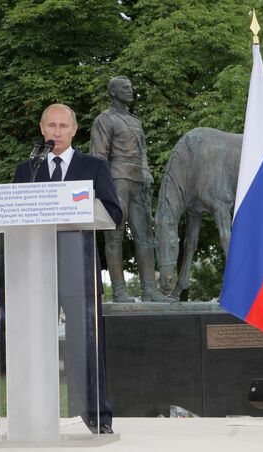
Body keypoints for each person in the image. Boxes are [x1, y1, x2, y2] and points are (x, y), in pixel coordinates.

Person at [14, 103, 122, 434]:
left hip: (80, 268)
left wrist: (78, 213)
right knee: (32, 345)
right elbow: (15, 216)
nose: (57, 132)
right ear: (41, 129)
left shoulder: (94, 167)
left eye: (63, 126)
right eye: (51, 126)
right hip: (35, 270)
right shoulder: (27, 170)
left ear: (75, 130)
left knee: (85, 345)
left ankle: (97, 416)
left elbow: (114, 214)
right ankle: (32, 415)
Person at [90, 76, 168, 303]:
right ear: (113, 92)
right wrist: (103, 188)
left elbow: (143, 151)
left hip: (139, 181)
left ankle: (149, 289)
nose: (130, 91)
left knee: (145, 236)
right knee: (114, 236)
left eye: (131, 87)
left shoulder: (135, 121)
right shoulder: (104, 120)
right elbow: (98, 156)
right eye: (125, 88)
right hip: (117, 180)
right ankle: (119, 290)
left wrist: (146, 170)